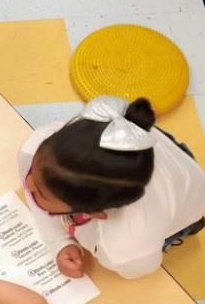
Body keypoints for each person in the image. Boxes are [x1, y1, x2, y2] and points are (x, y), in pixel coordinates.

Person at [20, 96, 205, 279]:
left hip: (186, 201)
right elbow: (30, 161)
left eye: (42, 194)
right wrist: (59, 242)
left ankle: (192, 224)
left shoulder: (127, 249)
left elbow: (141, 267)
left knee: (176, 225)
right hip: (168, 155)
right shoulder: (39, 149)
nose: (27, 183)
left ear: (95, 213)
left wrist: (61, 240)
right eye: (32, 172)